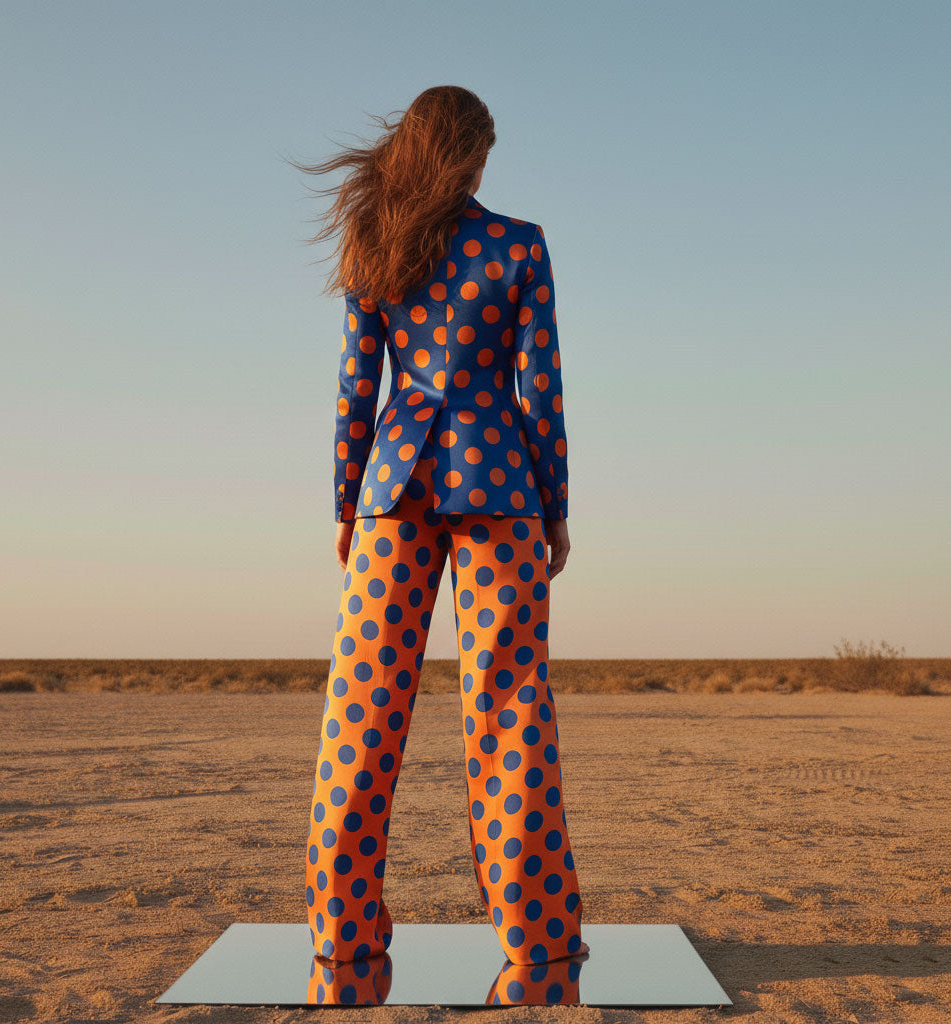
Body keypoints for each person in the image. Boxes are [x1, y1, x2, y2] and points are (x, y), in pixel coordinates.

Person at [297, 85, 586, 967]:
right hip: (501, 484)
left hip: (394, 484)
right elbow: (539, 390)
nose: (481, 170)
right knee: (509, 706)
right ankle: (537, 938)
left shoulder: (375, 237)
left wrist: (349, 500)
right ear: (463, 152)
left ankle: (343, 933)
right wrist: (557, 505)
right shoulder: (518, 245)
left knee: (362, 710)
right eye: (481, 154)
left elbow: (358, 389)